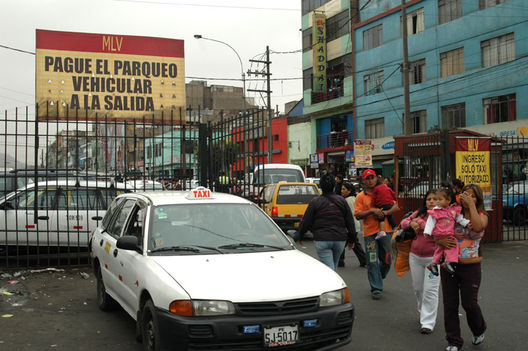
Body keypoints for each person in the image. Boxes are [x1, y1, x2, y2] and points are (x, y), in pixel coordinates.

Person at [437, 184, 488, 351]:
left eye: (473, 196)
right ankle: (453, 340)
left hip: (471, 266)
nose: (468, 198)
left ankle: (479, 329)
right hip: (449, 265)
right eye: (466, 195)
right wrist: (439, 241)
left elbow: (478, 227)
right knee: (450, 303)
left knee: (469, 303)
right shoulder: (452, 212)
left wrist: (471, 205)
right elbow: (436, 229)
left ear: (478, 199)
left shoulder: (482, 215)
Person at [296, 172, 357, 271]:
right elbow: (350, 222)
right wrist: (352, 239)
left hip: (322, 239)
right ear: (334, 185)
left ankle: (334, 285)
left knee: (330, 269)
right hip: (339, 239)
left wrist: (300, 234)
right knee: (334, 267)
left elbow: (306, 220)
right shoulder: (342, 201)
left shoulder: (315, 202)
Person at [354, 169, 399, 300]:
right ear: (364, 181)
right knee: (372, 261)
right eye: (367, 178)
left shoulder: (384, 191)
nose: (370, 180)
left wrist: (384, 213)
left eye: (372, 178)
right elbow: (357, 214)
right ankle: (376, 288)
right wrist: (371, 211)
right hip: (370, 233)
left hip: (387, 231)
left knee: (388, 260)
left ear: (376, 178)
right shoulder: (361, 197)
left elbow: (396, 207)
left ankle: (378, 275)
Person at [400, 190, 440, 335]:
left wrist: (421, 224)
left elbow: (439, 232)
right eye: (429, 199)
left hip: (433, 259)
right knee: (418, 288)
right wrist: (411, 223)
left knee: (430, 290)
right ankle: (423, 312)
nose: (431, 201)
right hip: (415, 256)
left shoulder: (443, 216)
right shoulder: (419, 213)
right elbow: (403, 222)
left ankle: (428, 322)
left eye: (435, 199)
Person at [424, 185, 470, 276]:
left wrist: (467, 223)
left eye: (439, 199)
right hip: (442, 233)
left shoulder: (453, 210)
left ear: (448, 200)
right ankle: (449, 261)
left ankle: (434, 263)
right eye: (436, 199)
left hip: (445, 233)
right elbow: (430, 222)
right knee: (453, 245)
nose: (437, 202)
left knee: (439, 249)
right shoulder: (436, 211)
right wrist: (427, 231)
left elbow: (460, 219)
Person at [339, 181, 367, 268]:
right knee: (355, 245)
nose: (342, 191)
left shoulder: (348, 200)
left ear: (349, 191)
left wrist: (346, 227)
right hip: (354, 226)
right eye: (341, 189)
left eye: (344, 189)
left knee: (342, 244)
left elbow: (349, 216)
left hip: (350, 227)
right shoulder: (353, 198)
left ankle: (340, 262)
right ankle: (364, 260)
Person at [370, 172, 397, 240]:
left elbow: (373, 198)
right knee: (390, 217)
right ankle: (394, 228)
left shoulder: (376, 189)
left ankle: (382, 231)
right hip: (389, 204)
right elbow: (393, 194)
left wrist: (372, 206)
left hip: (381, 205)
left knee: (381, 218)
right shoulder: (387, 188)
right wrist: (395, 200)